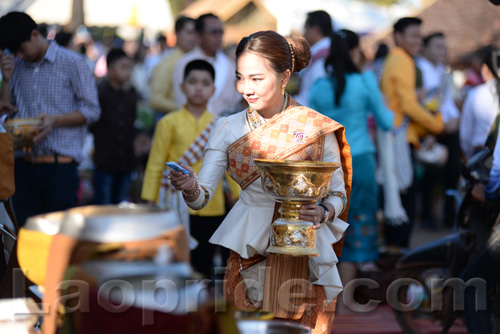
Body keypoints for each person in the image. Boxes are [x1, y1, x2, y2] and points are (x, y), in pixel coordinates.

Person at [169, 31, 352, 333]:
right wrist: (189, 186)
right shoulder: (227, 127)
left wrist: (324, 212)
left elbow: (337, 193)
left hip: (306, 248)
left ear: (284, 76)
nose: (246, 89)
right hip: (248, 249)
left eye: (256, 79)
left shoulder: (315, 126)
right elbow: (202, 196)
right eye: (240, 78)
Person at [309, 31, 394, 312]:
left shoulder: (320, 86)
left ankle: (330, 299)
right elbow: (385, 121)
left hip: (329, 166)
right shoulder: (364, 82)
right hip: (361, 163)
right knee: (356, 227)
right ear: (356, 51)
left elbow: (310, 131)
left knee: (329, 227)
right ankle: (346, 302)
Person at [0, 12, 100, 227]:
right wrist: (6, 80)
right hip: (23, 166)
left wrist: (55, 120)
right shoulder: (15, 66)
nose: (19, 55)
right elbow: (6, 113)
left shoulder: (72, 61)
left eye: (22, 49)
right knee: (28, 239)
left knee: (60, 238)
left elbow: (92, 110)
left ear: (35, 35)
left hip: (60, 167)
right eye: (13, 51)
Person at [142, 60, 239, 279]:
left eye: (205, 83)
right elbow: (155, 164)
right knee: (175, 263)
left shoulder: (221, 125)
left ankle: (202, 310)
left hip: (212, 205)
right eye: (192, 82)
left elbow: (229, 166)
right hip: (174, 205)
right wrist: (149, 200)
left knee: (205, 264)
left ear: (213, 90)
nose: (198, 87)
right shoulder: (168, 123)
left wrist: (238, 196)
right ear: (182, 86)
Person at [380, 17, 444, 252]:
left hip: (400, 137)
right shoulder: (401, 61)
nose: (419, 41)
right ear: (398, 37)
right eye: (413, 36)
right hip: (398, 140)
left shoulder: (401, 60)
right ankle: (396, 261)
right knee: (402, 200)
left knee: (400, 199)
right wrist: (437, 126)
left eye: (420, 35)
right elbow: (408, 106)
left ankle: (395, 255)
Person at [416, 32, 461, 228]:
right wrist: (431, 131)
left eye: (444, 46)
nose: (443, 50)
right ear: (425, 49)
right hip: (429, 129)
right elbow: (419, 105)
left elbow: (449, 102)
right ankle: (427, 216)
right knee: (430, 175)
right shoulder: (418, 70)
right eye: (437, 46)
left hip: (448, 128)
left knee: (452, 173)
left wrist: (455, 120)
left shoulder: (444, 72)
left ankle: (449, 217)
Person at [90, 48, 137, 204]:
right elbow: (92, 126)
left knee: (121, 204)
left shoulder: (131, 97)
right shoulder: (100, 95)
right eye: (123, 67)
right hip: (105, 160)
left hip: (125, 161)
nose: (127, 72)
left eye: (129, 68)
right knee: (103, 204)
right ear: (109, 70)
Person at [172, 13, 241, 116]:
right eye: (213, 32)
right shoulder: (184, 63)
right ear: (199, 35)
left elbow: (236, 101)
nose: (218, 37)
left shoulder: (230, 66)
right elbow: (181, 100)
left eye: (220, 32)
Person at [149, 16, 197, 119]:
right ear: (177, 34)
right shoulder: (167, 64)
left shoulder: (198, 61)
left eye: (195, 33)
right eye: (189, 32)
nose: (193, 37)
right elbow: (155, 99)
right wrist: (184, 108)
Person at [459, 47, 500, 162]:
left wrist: (470, 158)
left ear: (485, 69)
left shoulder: (476, 94)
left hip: (483, 157)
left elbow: (465, 135)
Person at [294, 10, 333, 106]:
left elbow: (313, 95)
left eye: (306, 29)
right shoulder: (326, 51)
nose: (304, 34)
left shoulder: (323, 56)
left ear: (315, 29)